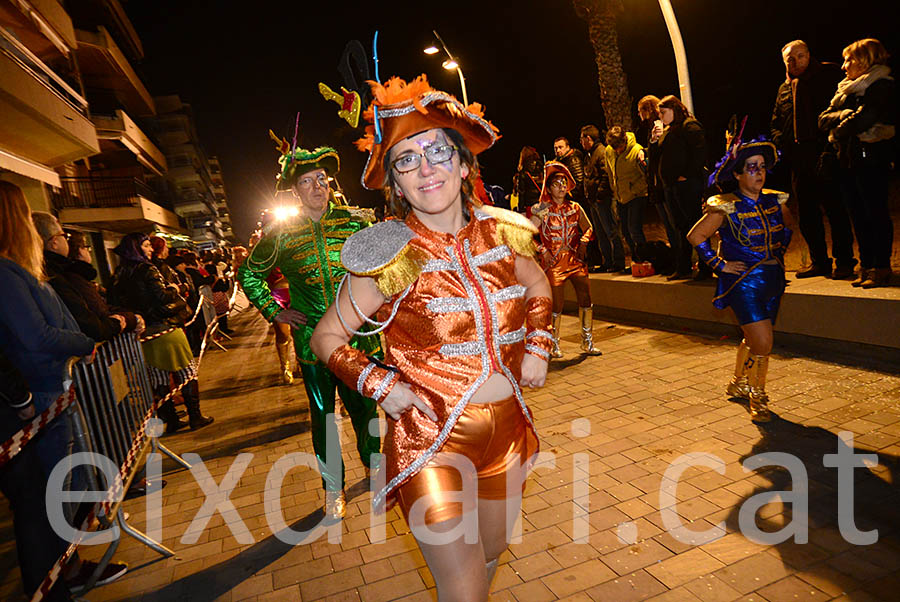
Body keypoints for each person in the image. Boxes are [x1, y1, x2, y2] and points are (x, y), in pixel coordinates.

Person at [310, 74, 553, 601]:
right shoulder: (388, 253)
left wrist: (538, 343)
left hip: (509, 430)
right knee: (464, 590)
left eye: (437, 152)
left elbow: (538, 284)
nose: (425, 168)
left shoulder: (503, 231)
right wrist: (379, 383)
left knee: (489, 556)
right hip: (430, 441)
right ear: (395, 184)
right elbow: (326, 338)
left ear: (464, 164)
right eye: (406, 159)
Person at [237, 143, 381, 520]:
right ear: (296, 190)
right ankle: (333, 488)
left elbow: (383, 267)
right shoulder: (282, 234)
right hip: (312, 341)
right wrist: (275, 311)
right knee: (323, 415)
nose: (318, 186)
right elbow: (248, 273)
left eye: (322, 179)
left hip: (358, 336)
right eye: (308, 181)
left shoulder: (354, 222)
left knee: (366, 408)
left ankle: (376, 468)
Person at [0, 182, 127, 595]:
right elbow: (37, 337)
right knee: (49, 501)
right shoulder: (5, 275)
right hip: (39, 400)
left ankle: (68, 568)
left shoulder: (18, 272)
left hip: (50, 395)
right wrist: (84, 342)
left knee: (62, 493)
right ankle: (57, 578)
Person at [687, 138, 793, 422]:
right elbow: (696, 236)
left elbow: (788, 229)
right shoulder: (726, 206)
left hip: (773, 279)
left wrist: (779, 254)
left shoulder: (775, 200)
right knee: (764, 343)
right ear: (737, 173)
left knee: (753, 337)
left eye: (761, 167)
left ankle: (738, 382)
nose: (758, 173)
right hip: (743, 282)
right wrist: (720, 264)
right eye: (751, 168)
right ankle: (757, 396)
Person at [109, 233, 213, 433]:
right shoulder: (147, 269)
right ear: (137, 249)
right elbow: (161, 296)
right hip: (165, 329)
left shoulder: (119, 274)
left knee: (159, 378)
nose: (150, 250)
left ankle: (172, 421)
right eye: (146, 245)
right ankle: (195, 417)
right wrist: (174, 289)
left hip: (143, 332)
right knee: (187, 372)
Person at [770, 40, 855, 280]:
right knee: (807, 215)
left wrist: (831, 147)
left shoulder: (828, 76)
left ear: (809, 55)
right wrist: (781, 144)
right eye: (790, 58)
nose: (795, 62)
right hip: (798, 159)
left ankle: (845, 262)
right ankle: (819, 261)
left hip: (826, 154)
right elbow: (776, 121)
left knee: (836, 211)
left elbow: (840, 113)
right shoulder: (783, 89)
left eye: (800, 56)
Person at [819, 38, 896, 289]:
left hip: (872, 159)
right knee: (858, 216)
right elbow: (823, 119)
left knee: (875, 213)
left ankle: (881, 266)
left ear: (865, 60)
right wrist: (844, 117)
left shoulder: (881, 85)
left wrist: (841, 127)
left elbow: (864, 119)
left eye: (849, 60)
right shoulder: (847, 89)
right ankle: (867, 264)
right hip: (848, 159)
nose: (844, 66)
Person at [530, 161, 604, 358]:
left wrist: (584, 242)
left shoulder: (576, 207)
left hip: (574, 259)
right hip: (554, 263)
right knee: (557, 305)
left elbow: (588, 227)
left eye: (564, 183)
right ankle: (553, 344)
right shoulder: (542, 209)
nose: (561, 187)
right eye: (556, 183)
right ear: (549, 188)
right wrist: (542, 249)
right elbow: (526, 233)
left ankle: (587, 342)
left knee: (586, 298)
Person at [31, 214, 137, 342]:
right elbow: (91, 325)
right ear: (54, 242)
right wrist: (120, 322)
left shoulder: (53, 273)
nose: (66, 241)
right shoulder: (56, 277)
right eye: (64, 236)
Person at [657, 95, 709, 280]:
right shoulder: (669, 130)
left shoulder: (690, 126)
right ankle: (684, 266)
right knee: (680, 227)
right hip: (672, 186)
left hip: (687, 184)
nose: (661, 116)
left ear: (674, 109)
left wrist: (685, 175)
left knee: (696, 224)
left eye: (663, 112)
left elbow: (700, 152)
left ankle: (705, 266)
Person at [637, 95, 679, 269]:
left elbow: (662, 151)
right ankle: (677, 259)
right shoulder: (651, 128)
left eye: (640, 111)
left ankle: (680, 258)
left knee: (673, 224)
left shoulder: (660, 126)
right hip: (656, 182)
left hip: (662, 182)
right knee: (668, 224)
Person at [580, 124, 624, 272]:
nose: (581, 143)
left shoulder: (601, 152)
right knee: (600, 233)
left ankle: (618, 262)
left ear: (588, 138)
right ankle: (608, 262)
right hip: (594, 200)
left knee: (610, 230)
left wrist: (600, 194)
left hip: (602, 200)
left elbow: (606, 175)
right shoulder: (590, 155)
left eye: (582, 139)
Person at [604, 126, 649, 267]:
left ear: (624, 141)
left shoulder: (636, 150)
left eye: (620, 147)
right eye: (615, 148)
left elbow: (644, 175)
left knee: (634, 228)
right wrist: (614, 189)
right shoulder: (609, 151)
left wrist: (635, 190)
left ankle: (645, 259)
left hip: (636, 195)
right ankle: (636, 260)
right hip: (620, 196)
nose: (618, 150)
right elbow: (610, 173)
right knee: (625, 230)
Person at [553, 136, 585, 204]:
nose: (558, 150)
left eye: (560, 147)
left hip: (575, 200)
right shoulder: (559, 161)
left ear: (567, 147)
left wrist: (567, 195)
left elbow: (579, 182)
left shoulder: (573, 160)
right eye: (556, 148)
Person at [511, 146, 543, 214]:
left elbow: (521, 193)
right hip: (542, 204)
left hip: (530, 206)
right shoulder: (541, 167)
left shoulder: (523, 171)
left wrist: (521, 210)